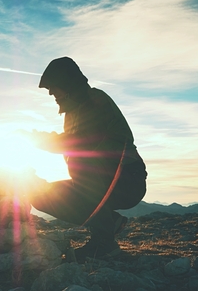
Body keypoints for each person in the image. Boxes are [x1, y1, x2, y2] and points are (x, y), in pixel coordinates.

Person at [25, 56, 147, 262]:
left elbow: (80, 143)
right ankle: (110, 223)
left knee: (80, 162)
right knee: (39, 195)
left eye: (53, 88)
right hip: (104, 180)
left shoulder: (95, 101)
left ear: (67, 83)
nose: (51, 93)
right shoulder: (72, 112)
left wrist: (39, 140)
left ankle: (105, 244)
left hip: (127, 180)